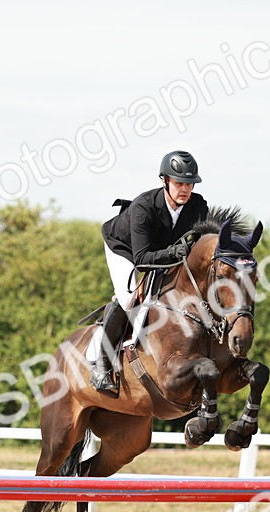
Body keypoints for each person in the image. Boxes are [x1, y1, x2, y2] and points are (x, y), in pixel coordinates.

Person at [93, 150, 210, 392]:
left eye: (189, 184)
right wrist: (172, 252)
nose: (185, 189)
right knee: (128, 298)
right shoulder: (144, 207)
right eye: (179, 183)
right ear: (164, 181)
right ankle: (102, 366)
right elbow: (142, 260)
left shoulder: (198, 206)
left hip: (161, 250)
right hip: (124, 248)